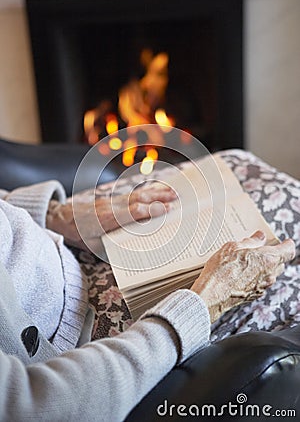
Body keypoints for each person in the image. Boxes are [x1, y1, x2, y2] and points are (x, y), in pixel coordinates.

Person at [0, 179, 295, 422]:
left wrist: (55, 215)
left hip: (58, 243)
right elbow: (31, 407)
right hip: (81, 344)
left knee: (245, 174)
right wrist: (204, 303)